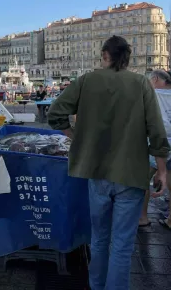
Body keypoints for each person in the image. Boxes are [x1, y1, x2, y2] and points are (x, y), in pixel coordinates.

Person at [47, 35, 170, 290]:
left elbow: (55, 113)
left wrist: (74, 134)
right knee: (123, 244)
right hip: (131, 173)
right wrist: (161, 170)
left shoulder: (87, 80)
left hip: (97, 170)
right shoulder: (141, 84)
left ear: (105, 55)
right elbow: (156, 130)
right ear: (127, 57)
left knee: (99, 239)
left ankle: (96, 286)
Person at [139, 70, 171, 229]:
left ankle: (143, 217)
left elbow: (156, 124)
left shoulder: (153, 96)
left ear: (155, 79)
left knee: (144, 180)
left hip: (157, 143)